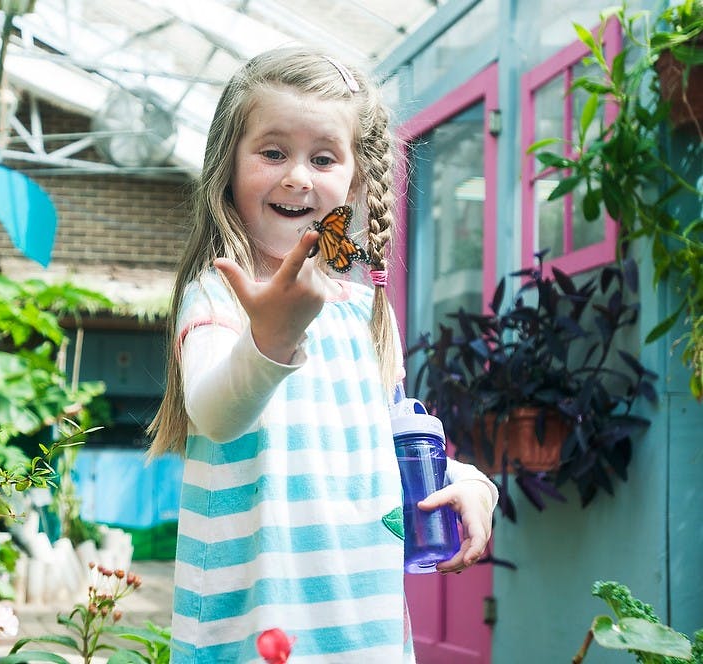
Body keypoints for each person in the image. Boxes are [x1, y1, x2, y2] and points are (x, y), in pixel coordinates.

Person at [148, 46, 497, 663]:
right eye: (273, 152)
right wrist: (271, 339)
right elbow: (214, 413)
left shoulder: (365, 309)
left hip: (365, 631)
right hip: (254, 631)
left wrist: (467, 483)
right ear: (228, 163)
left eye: (324, 157)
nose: (298, 177)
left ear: (357, 179)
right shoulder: (218, 293)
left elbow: (397, 436)